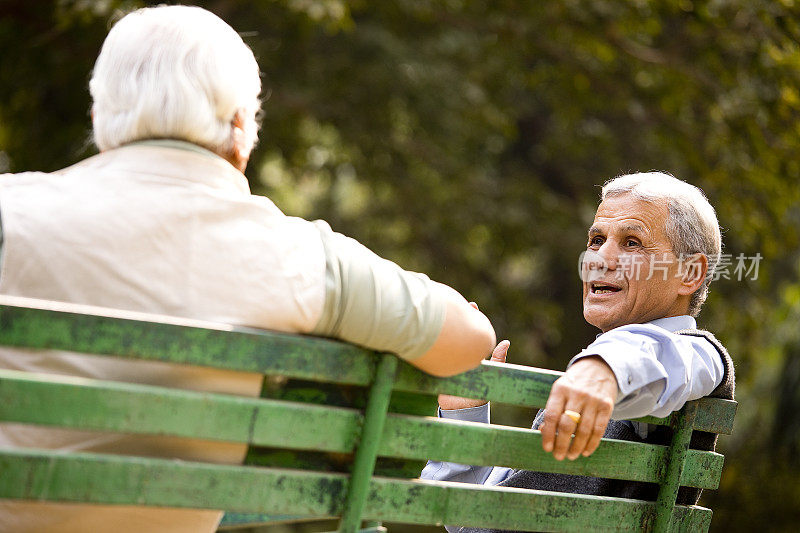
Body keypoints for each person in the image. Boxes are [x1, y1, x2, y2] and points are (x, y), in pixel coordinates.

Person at [0, 6, 496, 532]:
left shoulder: (13, 212)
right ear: (242, 128)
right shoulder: (300, 256)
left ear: (102, 116)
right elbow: (470, 339)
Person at [422, 172, 735, 533]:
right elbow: (475, 526)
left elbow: (679, 356)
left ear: (690, 273)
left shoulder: (689, 358)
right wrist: (465, 415)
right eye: (597, 239)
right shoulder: (591, 380)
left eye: (632, 242)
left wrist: (603, 367)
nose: (600, 258)